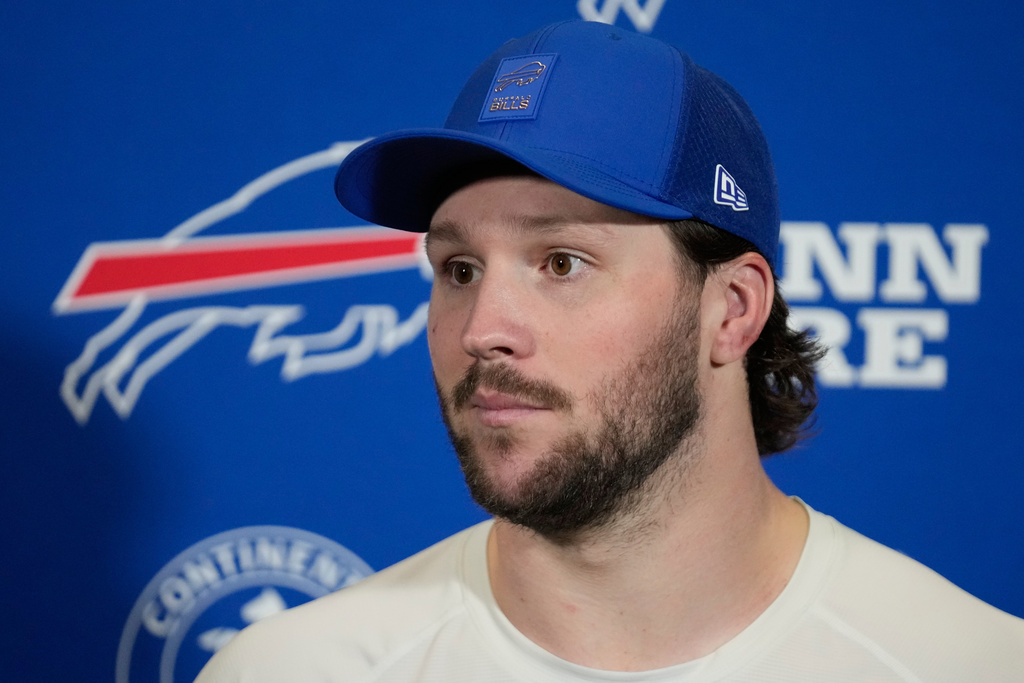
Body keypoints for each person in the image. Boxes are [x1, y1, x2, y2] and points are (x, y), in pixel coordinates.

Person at [196, 20, 1024, 682]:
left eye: (561, 262)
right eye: (457, 268)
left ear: (732, 309)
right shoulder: (291, 668)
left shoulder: (966, 664)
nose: (482, 327)